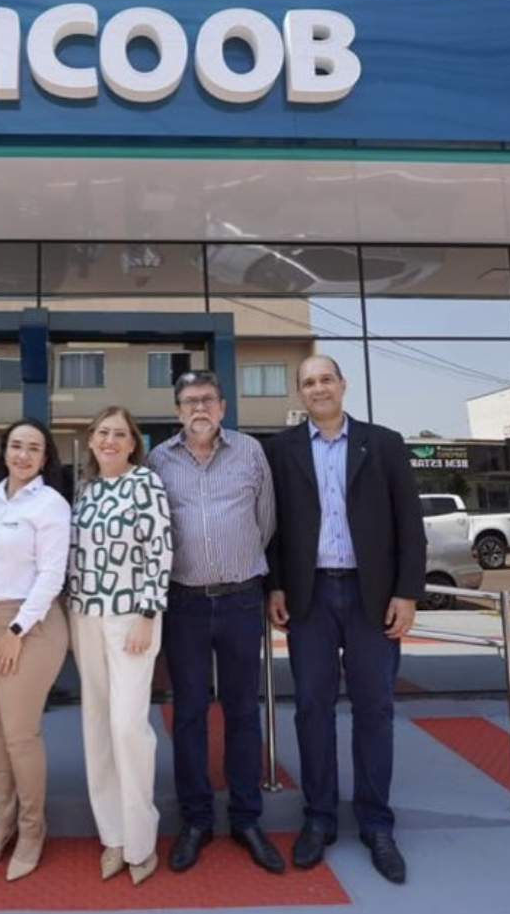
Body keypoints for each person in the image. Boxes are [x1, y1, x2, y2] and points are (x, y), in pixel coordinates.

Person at [263, 356, 425, 886]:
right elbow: (272, 528)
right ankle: (319, 817)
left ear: (342, 385)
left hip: (370, 597)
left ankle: (377, 823)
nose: (318, 388)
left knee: (374, 709)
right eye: (308, 382)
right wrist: (276, 585)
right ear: (300, 393)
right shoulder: (280, 450)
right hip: (309, 599)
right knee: (312, 710)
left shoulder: (384, 443)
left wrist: (407, 593)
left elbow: (410, 524)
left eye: (326, 379)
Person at [146, 370, 285, 876]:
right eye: (189, 401)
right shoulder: (158, 460)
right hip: (183, 603)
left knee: (243, 710)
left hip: (241, 600)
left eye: (207, 399)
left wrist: (239, 563)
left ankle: (246, 818)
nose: (199, 408)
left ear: (223, 407)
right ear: (177, 411)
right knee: (188, 712)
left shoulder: (250, 452)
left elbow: (266, 522)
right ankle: (197, 819)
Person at [0, 418, 72, 882]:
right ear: (4, 450)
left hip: (32, 625)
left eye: (34, 449)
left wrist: (16, 629)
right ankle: (0, 824)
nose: (23, 455)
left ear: (45, 458)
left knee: (20, 734)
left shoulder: (51, 504)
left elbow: (52, 575)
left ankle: (31, 828)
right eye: (17, 446)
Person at [67, 406, 173, 887]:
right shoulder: (85, 490)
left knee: (128, 727)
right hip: (84, 616)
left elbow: (160, 550)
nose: (110, 440)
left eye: (120, 434)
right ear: (91, 439)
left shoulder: (145, 484)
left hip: (132, 617)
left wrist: (148, 614)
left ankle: (141, 840)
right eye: (103, 432)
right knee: (96, 725)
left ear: (133, 443)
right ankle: (112, 835)